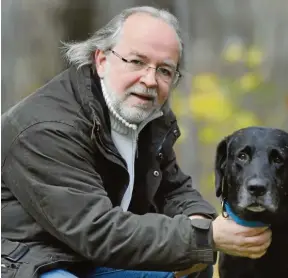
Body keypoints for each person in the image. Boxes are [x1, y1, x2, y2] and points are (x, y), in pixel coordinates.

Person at [1, 6, 272, 278]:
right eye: (136, 62)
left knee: (192, 265)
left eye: (165, 70)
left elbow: (173, 190)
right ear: (102, 60)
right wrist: (204, 237)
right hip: (26, 260)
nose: (150, 80)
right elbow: (97, 231)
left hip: (87, 257)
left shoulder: (143, 116)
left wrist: (199, 221)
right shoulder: (47, 129)